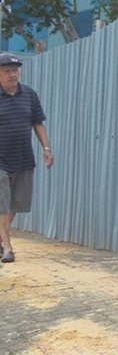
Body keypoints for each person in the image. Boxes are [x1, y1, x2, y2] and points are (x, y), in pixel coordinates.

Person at [0, 52, 54, 263]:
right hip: (0, 159)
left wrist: (46, 147)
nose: (12, 75)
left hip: (23, 157)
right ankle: (8, 248)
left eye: (15, 70)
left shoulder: (29, 94)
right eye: (7, 71)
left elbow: (37, 122)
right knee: (2, 205)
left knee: (16, 205)